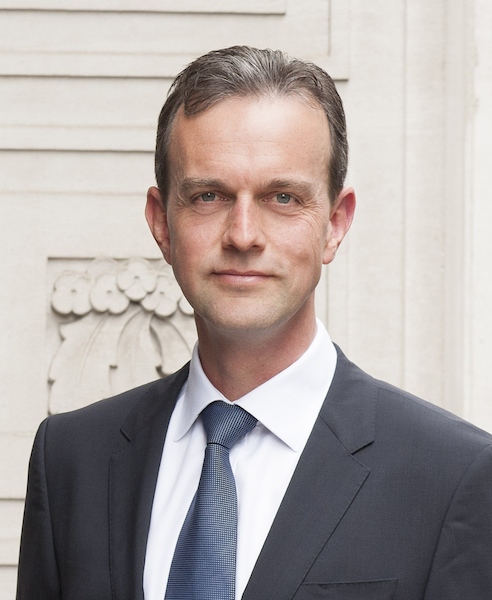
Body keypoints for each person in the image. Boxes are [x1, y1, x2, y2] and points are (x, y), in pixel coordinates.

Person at [17, 46, 492, 600]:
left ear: (335, 224)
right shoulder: (70, 458)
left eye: (282, 197)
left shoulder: (453, 476)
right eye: (208, 196)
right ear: (161, 223)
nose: (243, 235)